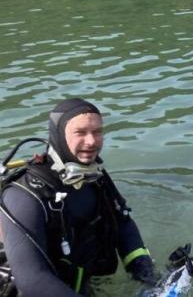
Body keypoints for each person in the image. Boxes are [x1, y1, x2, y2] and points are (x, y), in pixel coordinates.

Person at [0, 99, 157, 296]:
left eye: (97, 132)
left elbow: (123, 224)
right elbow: (32, 281)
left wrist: (149, 277)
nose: (91, 141)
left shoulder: (95, 177)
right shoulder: (24, 196)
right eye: (80, 132)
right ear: (59, 136)